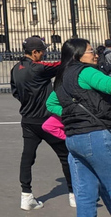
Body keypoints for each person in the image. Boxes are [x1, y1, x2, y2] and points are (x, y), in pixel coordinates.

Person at [46, 38, 111, 217]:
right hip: (96, 134)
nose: (95, 55)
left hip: (74, 138)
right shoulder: (86, 72)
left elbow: (51, 104)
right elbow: (109, 85)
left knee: (85, 194)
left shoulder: (61, 77)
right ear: (78, 55)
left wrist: (71, 113)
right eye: (90, 51)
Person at [10, 36, 73, 211]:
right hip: (47, 120)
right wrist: (73, 54)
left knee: (27, 157)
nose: (44, 53)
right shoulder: (39, 68)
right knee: (65, 155)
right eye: (42, 50)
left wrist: (29, 101)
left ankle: (26, 195)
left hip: (28, 120)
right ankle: (74, 193)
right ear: (35, 52)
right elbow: (61, 65)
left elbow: (15, 92)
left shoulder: (15, 69)